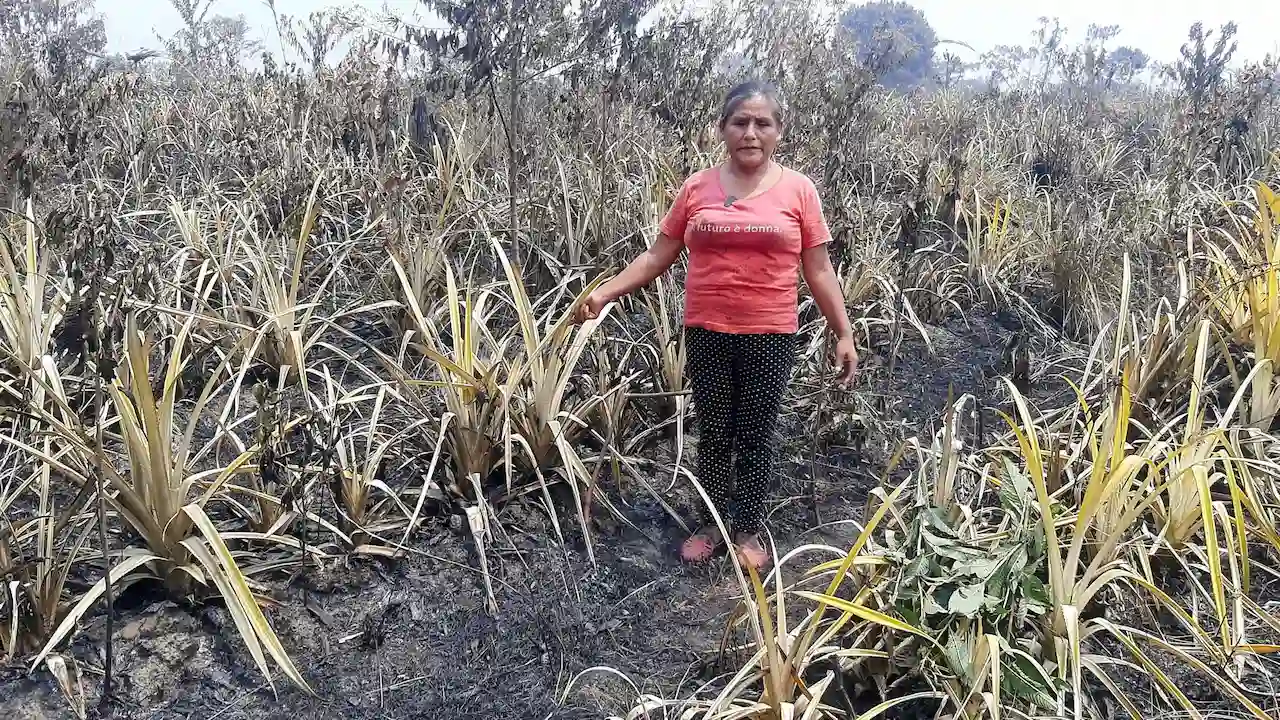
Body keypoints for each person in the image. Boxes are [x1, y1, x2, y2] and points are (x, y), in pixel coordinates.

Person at [573, 80, 858, 571]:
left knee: (755, 431)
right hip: (707, 328)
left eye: (762, 123)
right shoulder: (697, 188)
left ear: (779, 132)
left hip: (770, 332)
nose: (751, 132)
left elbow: (819, 270)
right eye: (740, 122)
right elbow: (658, 255)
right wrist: (606, 291)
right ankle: (709, 523)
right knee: (714, 430)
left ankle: (746, 527)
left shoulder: (799, 191)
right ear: (722, 130)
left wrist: (844, 331)